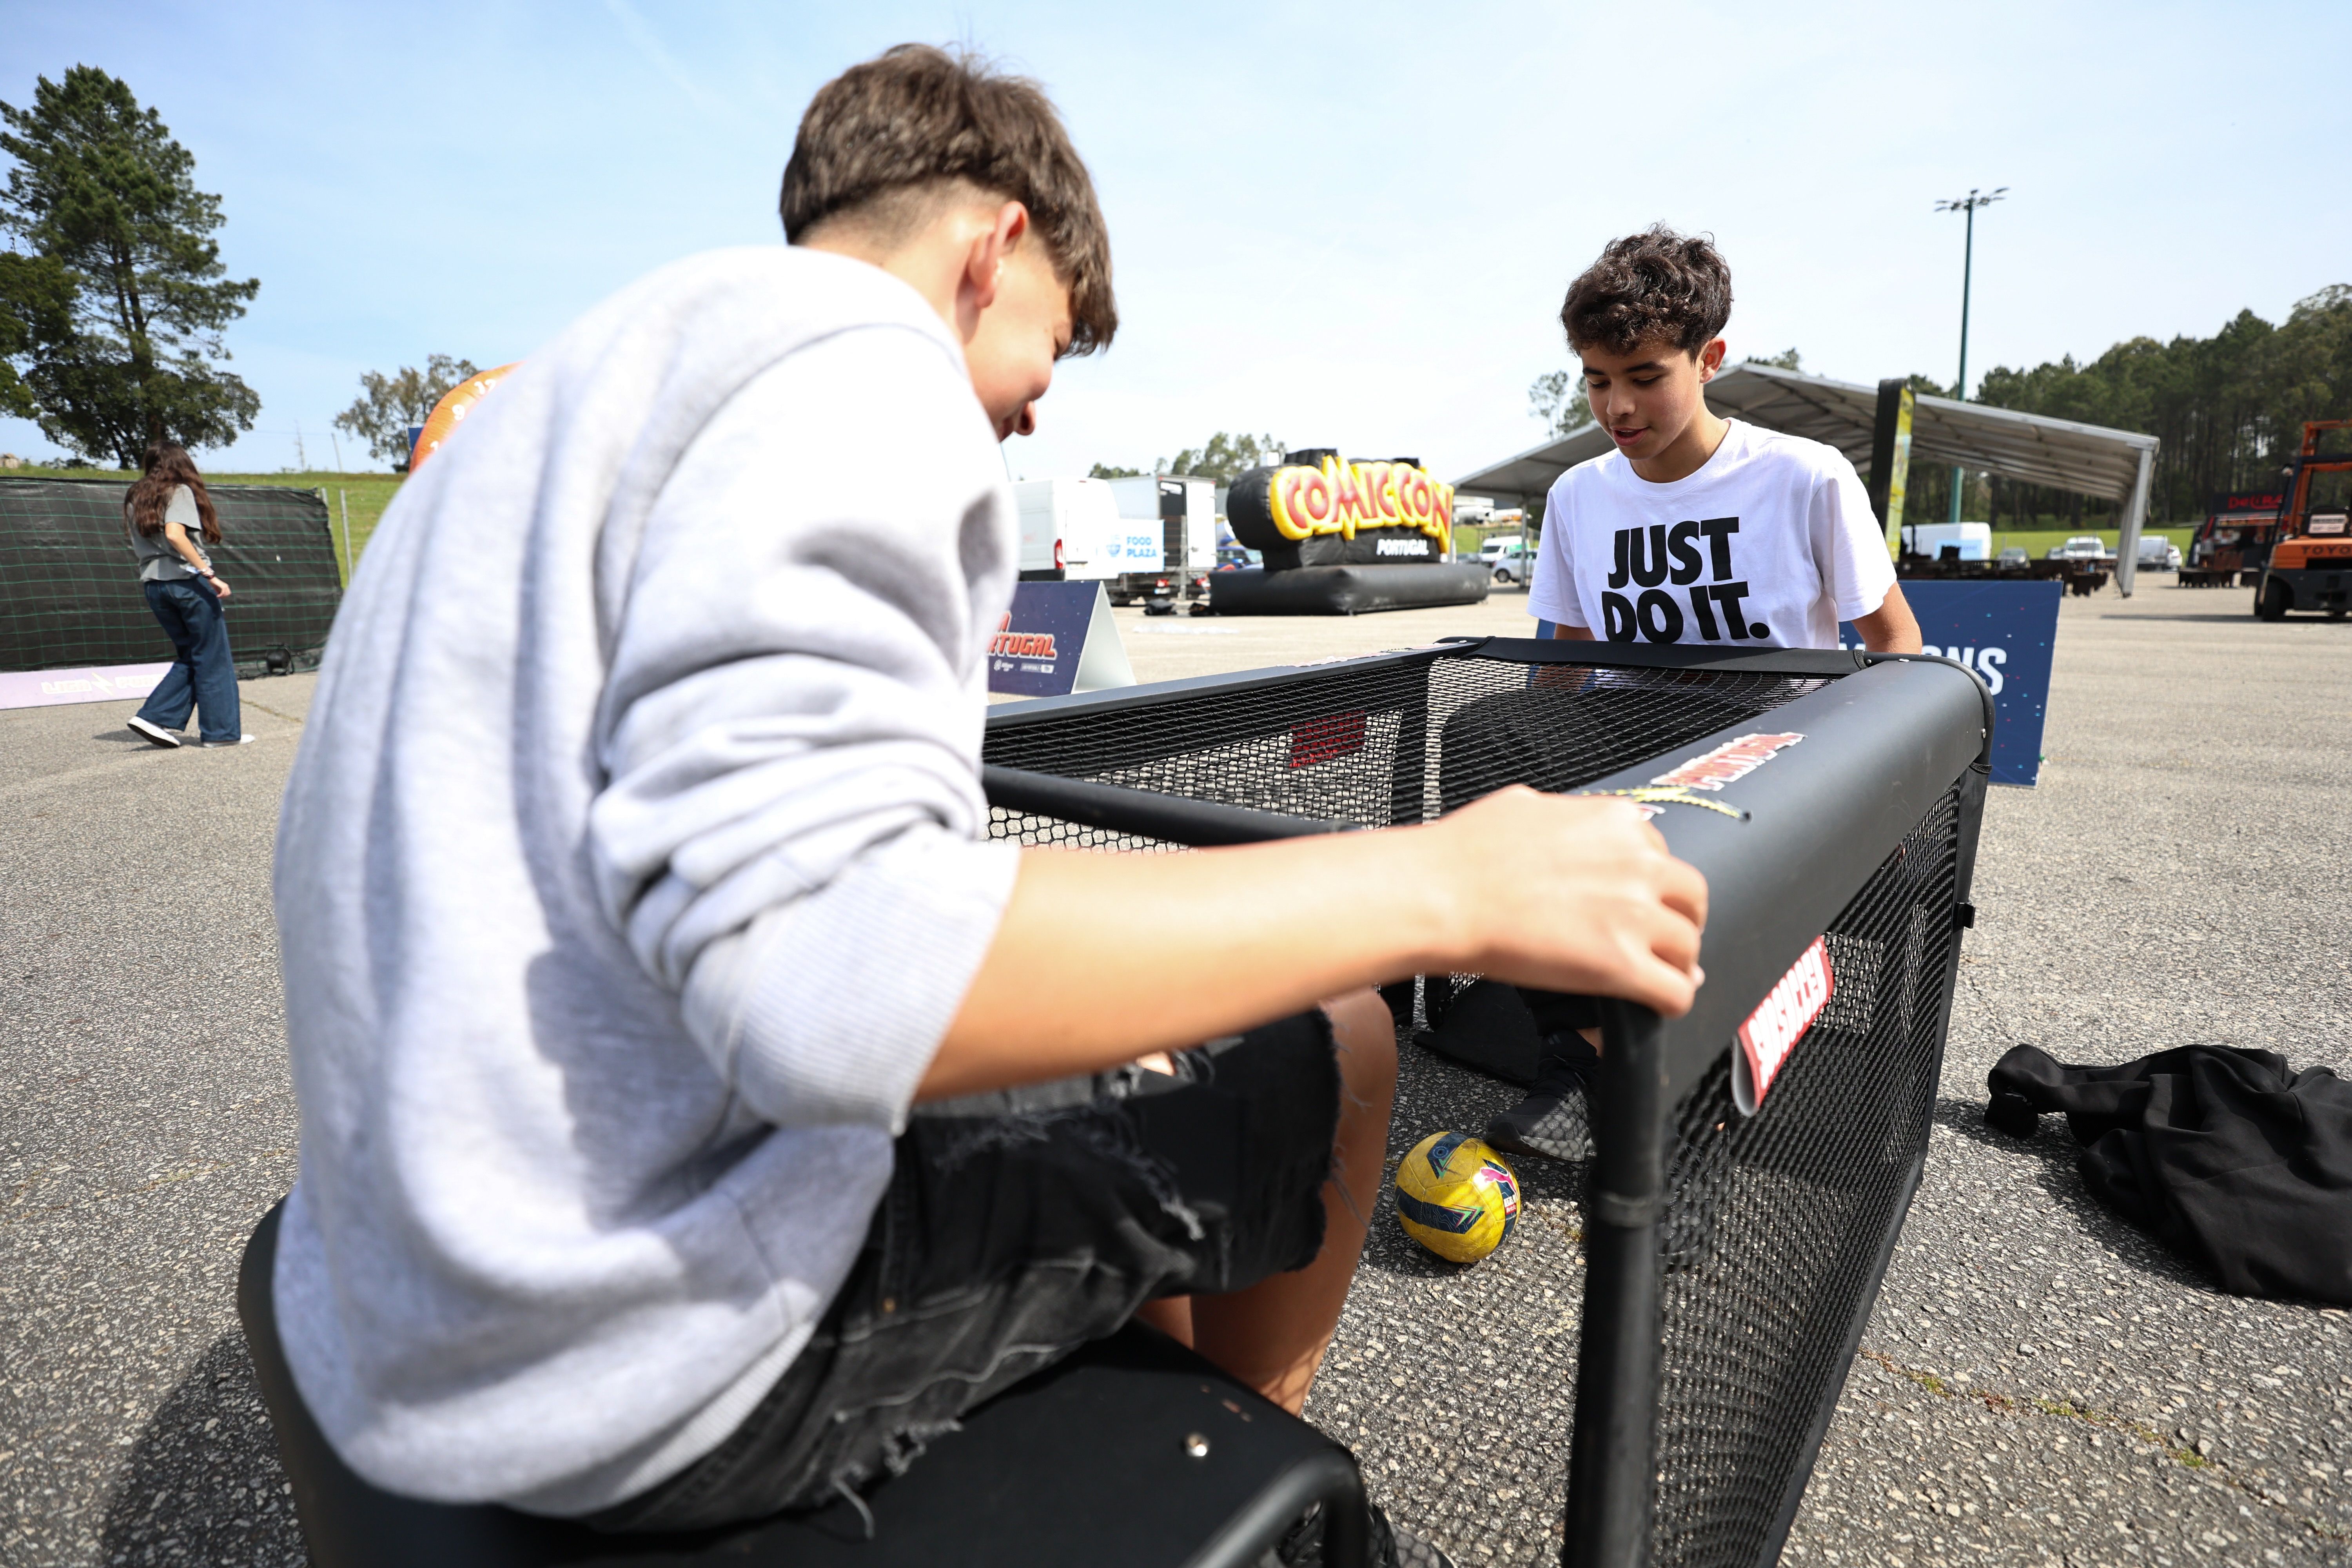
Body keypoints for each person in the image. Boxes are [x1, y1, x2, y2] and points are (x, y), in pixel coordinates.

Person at [270, 46, 1707, 1568]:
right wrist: (1450, 882)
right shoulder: (860, 368)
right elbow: (826, 976)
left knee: (1141, 1063)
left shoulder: (574, 391)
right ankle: (1234, 1483)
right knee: (1339, 1036)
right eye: (1053, 346)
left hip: (405, 1275)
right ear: (993, 249)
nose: (1032, 414)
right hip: (614, 1354)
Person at [1484, 226, 1921, 1167]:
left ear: (1709, 358)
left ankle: (1702, 1065)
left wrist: (1883, 792)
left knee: (1691, 831)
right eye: (1597, 380)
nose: (1618, 405)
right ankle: (1591, 1051)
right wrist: (1528, 763)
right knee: (1484, 736)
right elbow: (1566, 655)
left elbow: (1895, 642)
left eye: (1645, 376)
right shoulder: (1578, 495)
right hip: (1627, 724)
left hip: (1767, 738)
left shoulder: (1804, 475)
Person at [122, 443, 249, 748]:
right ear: (182, 464)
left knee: (193, 654)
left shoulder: (136, 495)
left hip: (155, 586)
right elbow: (174, 534)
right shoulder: (178, 491)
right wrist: (209, 574)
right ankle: (218, 733)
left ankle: (155, 718)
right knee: (213, 656)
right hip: (187, 584)